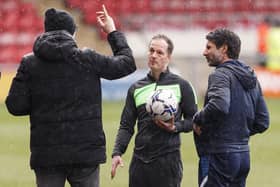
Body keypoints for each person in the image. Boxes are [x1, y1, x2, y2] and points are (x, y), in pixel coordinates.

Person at [5, 5, 136, 187]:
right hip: (85, 153)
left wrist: (43, 101)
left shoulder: (30, 63)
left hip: (47, 155)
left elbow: (15, 106)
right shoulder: (86, 58)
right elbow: (127, 64)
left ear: (46, 32)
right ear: (72, 32)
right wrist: (112, 32)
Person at [111, 34, 198, 187]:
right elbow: (126, 125)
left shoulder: (182, 86)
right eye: (151, 51)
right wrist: (117, 152)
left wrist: (175, 127)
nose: (153, 55)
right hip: (139, 162)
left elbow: (194, 121)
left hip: (168, 161)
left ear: (168, 57)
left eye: (159, 52)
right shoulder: (136, 88)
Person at [193, 28, 270, 187]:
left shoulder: (220, 74)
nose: (204, 52)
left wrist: (198, 119)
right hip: (242, 157)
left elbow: (219, 105)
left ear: (224, 48)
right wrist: (238, 135)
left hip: (221, 156)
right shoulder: (251, 76)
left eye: (209, 47)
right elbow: (263, 121)